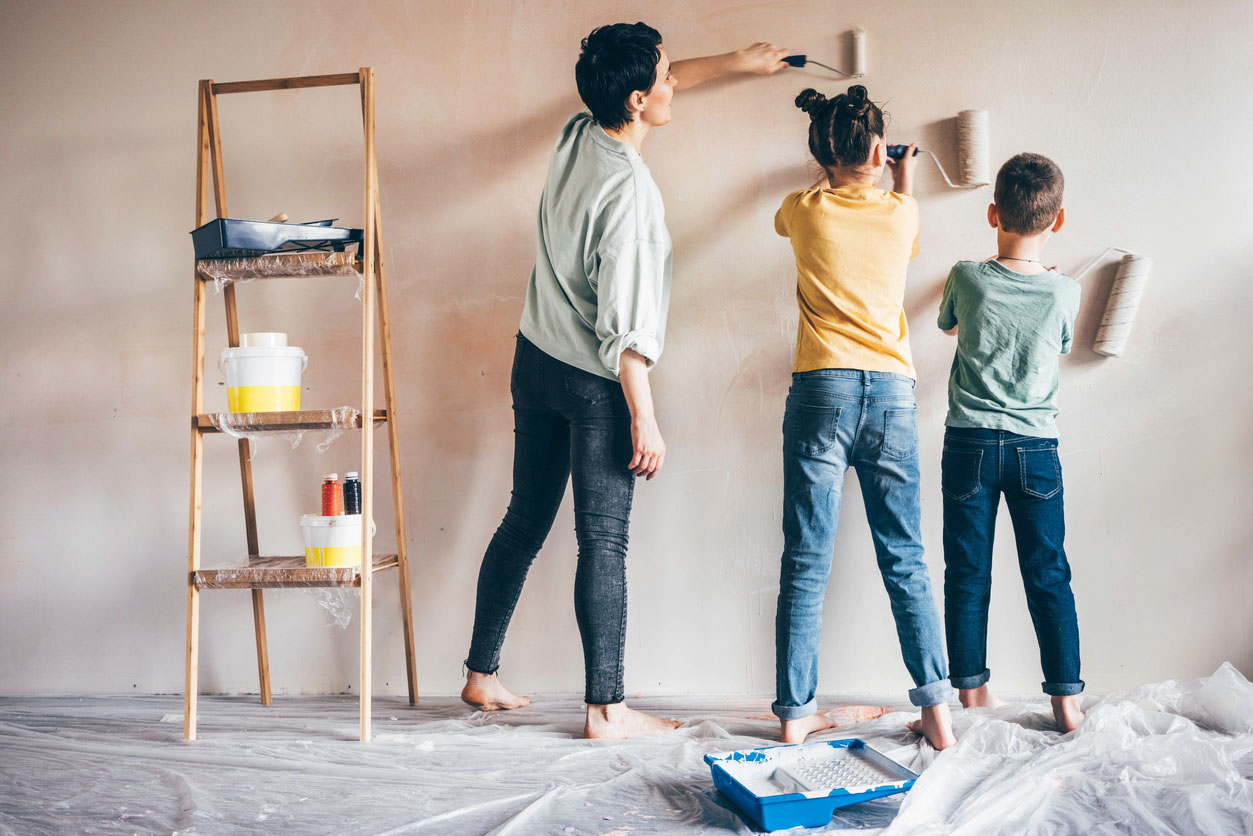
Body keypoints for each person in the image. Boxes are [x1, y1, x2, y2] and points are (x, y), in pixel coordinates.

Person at [461, 22, 789, 740]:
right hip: (592, 380)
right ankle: (607, 709)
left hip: (534, 359)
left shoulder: (579, 135)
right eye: (665, 79)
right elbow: (627, 334)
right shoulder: (632, 197)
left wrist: (736, 62)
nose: (675, 84)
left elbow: (650, 80)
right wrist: (644, 418)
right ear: (638, 100)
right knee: (602, 542)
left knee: (524, 521)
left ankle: (481, 674)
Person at [772, 84, 956, 749]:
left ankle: (794, 714)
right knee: (904, 557)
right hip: (889, 394)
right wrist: (898, 173)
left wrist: (840, 165)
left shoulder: (800, 209)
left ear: (819, 151)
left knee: (805, 560)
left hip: (820, 390)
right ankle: (936, 713)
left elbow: (802, 211)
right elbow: (898, 215)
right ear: (879, 150)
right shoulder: (901, 213)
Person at [937, 152, 1085, 732]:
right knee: (1049, 572)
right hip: (1036, 450)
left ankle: (974, 695)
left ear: (993, 212)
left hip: (970, 444)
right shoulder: (1064, 292)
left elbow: (948, 324)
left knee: (968, 571)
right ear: (1059, 220)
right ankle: (1066, 704)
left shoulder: (967, 276)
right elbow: (1064, 345)